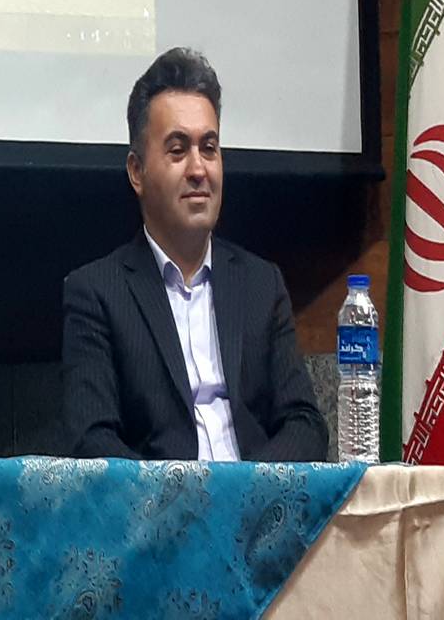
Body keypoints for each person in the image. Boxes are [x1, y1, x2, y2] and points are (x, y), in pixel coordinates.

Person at [61, 47, 327, 461]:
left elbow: (305, 423)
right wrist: (184, 496)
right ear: (136, 171)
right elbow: (92, 441)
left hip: (256, 496)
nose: (199, 169)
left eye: (209, 148)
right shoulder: (97, 292)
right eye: (177, 149)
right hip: (158, 501)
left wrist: (248, 490)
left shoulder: (261, 283)